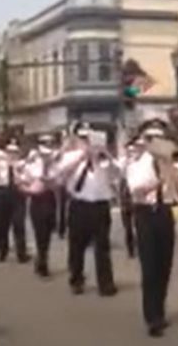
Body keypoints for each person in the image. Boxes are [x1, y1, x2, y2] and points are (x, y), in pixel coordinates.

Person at [129, 121, 178, 337]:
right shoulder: (136, 164)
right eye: (152, 138)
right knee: (149, 267)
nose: (157, 142)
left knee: (164, 266)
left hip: (164, 213)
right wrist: (158, 181)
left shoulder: (169, 163)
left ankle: (160, 309)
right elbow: (137, 191)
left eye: (160, 137)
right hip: (145, 214)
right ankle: (152, 317)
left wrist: (173, 173)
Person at [57, 123, 120, 296]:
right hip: (79, 205)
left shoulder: (103, 158)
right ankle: (76, 279)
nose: (86, 141)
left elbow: (118, 173)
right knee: (77, 246)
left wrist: (104, 154)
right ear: (77, 139)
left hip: (100, 205)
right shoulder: (71, 156)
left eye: (88, 138)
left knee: (103, 247)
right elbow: (60, 173)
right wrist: (83, 156)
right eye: (83, 138)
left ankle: (105, 284)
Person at [22, 134, 60, 278]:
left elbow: (58, 181)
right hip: (37, 200)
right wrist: (29, 190)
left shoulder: (56, 163)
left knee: (48, 232)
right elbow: (23, 181)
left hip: (50, 198)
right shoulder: (32, 163)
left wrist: (49, 179)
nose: (48, 146)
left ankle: (42, 257)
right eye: (45, 143)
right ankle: (42, 261)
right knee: (40, 233)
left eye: (50, 143)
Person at [0, 140, 30, 263]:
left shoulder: (23, 165)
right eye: (9, 152)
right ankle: (2, 251)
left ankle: (21, 253)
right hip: (2, 192)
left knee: (19, 224)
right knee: (1, 224)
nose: (12, 155)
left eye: (15, 152)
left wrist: (16, 170)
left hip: (17, 193)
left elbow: (26, 179)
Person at [118, 144, 138, 260]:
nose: (131, 153)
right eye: (129, 151)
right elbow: (118, 175)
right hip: (125, 193)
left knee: (138, 224)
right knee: (128, 226)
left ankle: (138, 246)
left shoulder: (139, 163)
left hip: (135, 193)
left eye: (132, 150)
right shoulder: (123, 162)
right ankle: (130, 249)